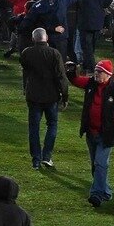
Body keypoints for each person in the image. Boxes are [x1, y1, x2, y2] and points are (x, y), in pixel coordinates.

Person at [71, 59, 114, 207]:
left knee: (100, 163)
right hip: (91, 132)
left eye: (99, 72)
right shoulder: (91, 83)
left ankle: (97, 194)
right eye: (96, 71)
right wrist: (70, 72)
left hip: (107, 134)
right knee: (96, 164)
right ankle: (106, 191)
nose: (96, 74)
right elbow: (76, 81)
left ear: (108, 74)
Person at [20, 26, 71, 170]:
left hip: (33, 95)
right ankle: (46, 156)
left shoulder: (27, 53)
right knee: (52, 125)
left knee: (34, 127)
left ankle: (36, 160)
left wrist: (25, 88)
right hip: (51, 95)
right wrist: (65, 96)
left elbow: (25, 71)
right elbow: (61, 77)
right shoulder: (54, 53)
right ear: (47, 38)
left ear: (33, 39)